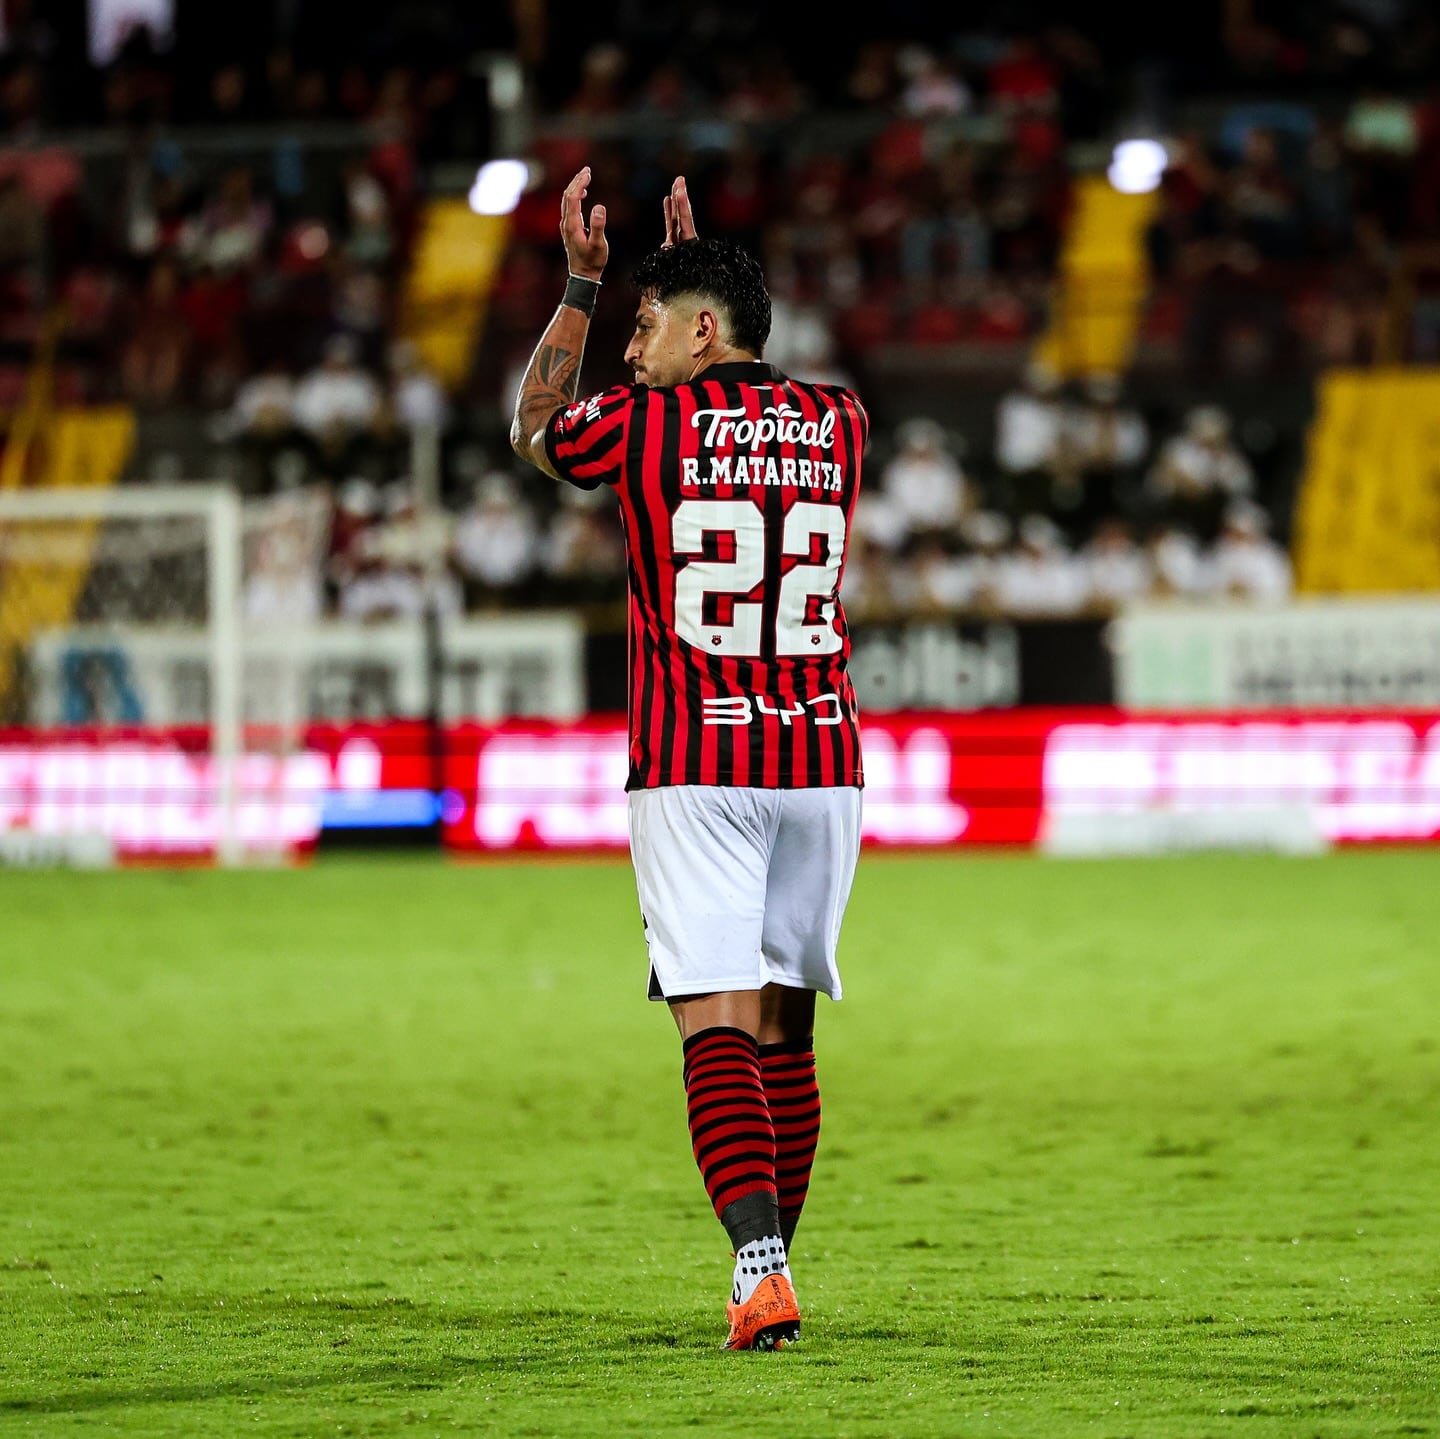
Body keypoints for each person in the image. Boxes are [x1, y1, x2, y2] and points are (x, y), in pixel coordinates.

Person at [510, 168, 868, 1353]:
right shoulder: (843, 421)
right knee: (786, 1028)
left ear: (701, 327)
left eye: (648, 327)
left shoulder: (641, 422)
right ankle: (764, 1271)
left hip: (695, 758)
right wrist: (684, 275)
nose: (631, 351)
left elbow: (533, 429)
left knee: (711, 1018)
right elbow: (748, 424)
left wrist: (584, 281)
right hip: (820, 759)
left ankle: (759, 1270)